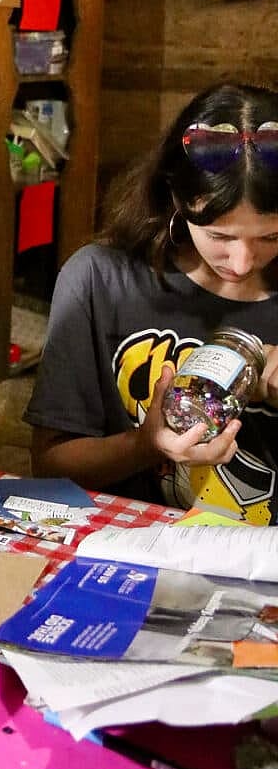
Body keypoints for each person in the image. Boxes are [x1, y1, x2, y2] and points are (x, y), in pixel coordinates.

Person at [26, 80, 278, 524]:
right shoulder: (100, 281)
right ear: (176, 197)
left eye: (271, 237)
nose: (241, 263)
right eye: (219, 236)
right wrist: (146, 444)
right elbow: (50, 463)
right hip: (130, 543)